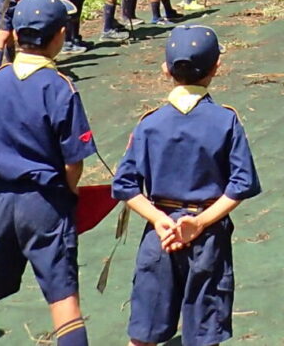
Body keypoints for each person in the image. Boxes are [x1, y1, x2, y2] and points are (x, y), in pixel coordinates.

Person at [0, 0, 96, 346]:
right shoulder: (60, 88)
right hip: (44, 202)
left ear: (15, 35)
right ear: (61, 35)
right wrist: (69, 195)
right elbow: (73, 161)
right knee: (63, 298)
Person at [115, 24, 261, 346]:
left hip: (160, 236)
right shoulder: (226, 121)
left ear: (165, 69)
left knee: (144, 333)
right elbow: (241, 183)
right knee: (204, 333)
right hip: (208, 237)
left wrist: (159, 220)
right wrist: (200, 222)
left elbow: (124, 185)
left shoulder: (150, 123)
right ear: (216, 68)